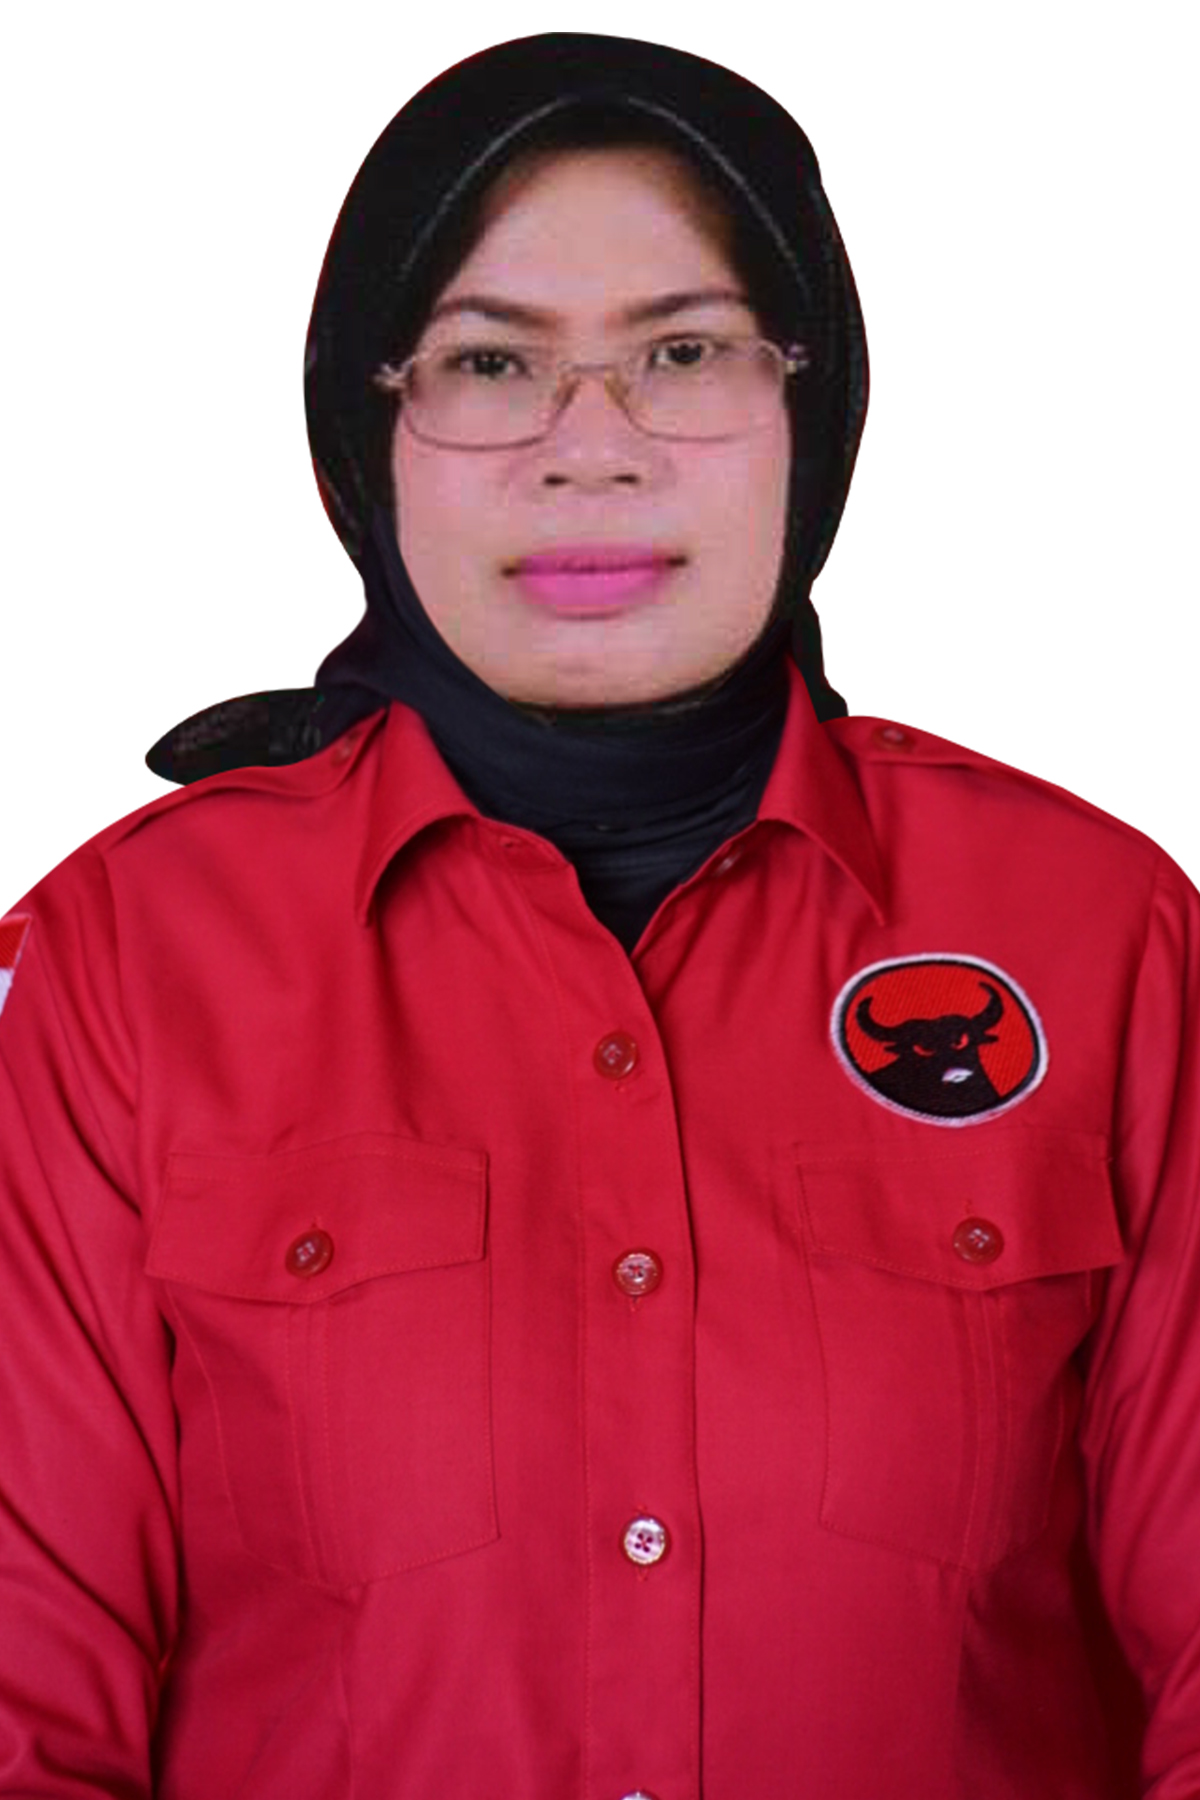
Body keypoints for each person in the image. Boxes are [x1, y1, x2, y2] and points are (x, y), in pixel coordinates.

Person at [0, 29, 1196, 1799]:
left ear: (814, 411)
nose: (592, 453)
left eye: (684, 353)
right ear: (364, 429)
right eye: (492, 362)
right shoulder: (123, 957)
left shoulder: (1100, 932)